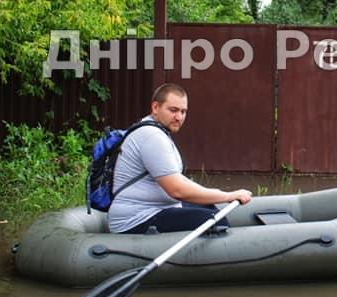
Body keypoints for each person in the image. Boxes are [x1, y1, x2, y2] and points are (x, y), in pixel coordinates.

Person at [108, 83, 252, 234]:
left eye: (183, 111)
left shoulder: (156, 131)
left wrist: (217, 194)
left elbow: (179, 180)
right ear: (155, 107)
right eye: (173, 110)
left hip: (155, 208)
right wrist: (227, 196)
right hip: (136, 218)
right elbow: (177, 190)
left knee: (207, 207)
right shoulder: (151, 136)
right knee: (215, 220)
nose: (179, 117)